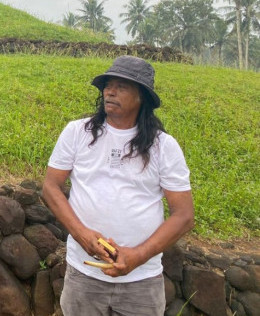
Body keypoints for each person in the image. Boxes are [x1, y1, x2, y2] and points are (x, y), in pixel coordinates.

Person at [42, 55, 195, 316]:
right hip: (85, 272)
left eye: (122, 86)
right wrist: (82, 234)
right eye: (108, 85)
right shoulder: (78, 132)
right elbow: (50, 187)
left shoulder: (163, 146)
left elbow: (184, 215)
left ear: (142, 97)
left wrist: (137, 255)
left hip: (142, 281)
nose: (110, 92)